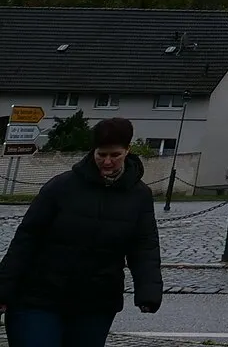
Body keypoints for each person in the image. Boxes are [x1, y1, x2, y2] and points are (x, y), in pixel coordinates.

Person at [0, 118, 163, 347]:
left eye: (114, 155)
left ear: (127, 151)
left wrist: (149, 291)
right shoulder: (61, 187)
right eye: (101, 154)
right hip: (38, 298)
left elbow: (144, 246)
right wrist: (4, 289)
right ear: (92, 151)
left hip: (95, 303)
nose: (107, 161)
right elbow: (26, 239)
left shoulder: (139, 196)